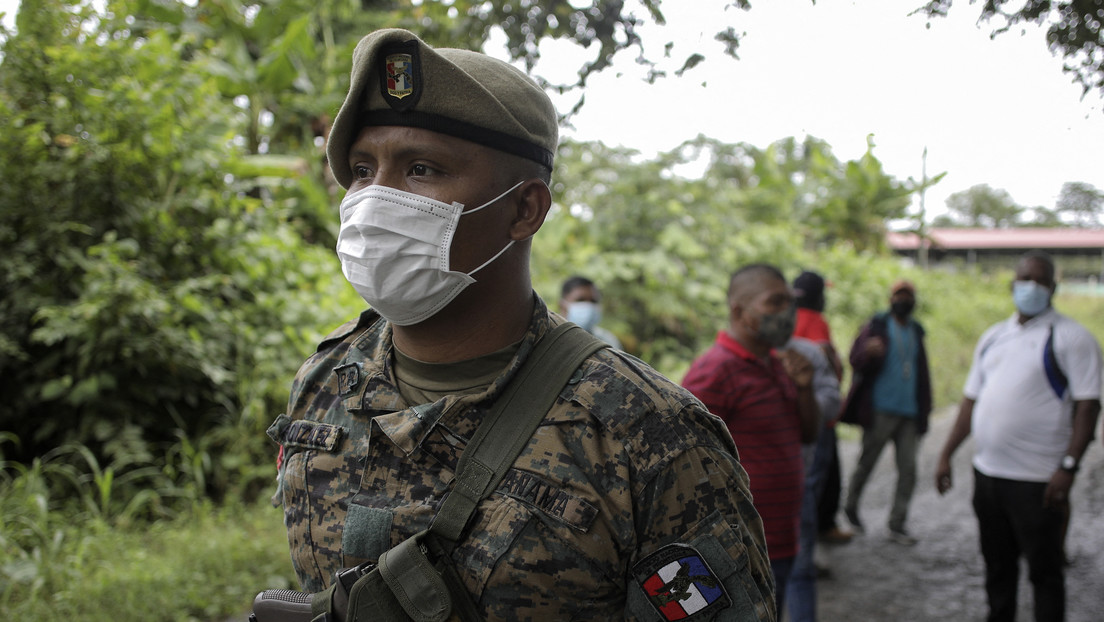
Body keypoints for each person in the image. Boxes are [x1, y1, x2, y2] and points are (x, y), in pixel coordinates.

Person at [269, 28, 775, 621]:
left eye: (422, 169)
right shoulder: (324, 381)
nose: (375, 199)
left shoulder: (646, 434)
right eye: (361, 168)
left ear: (524, 209)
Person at [934, 252, 1102, 622]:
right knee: (997, 568)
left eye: (1039, 281)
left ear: (1053, 288)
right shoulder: (994, 336)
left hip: (1037, 481)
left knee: (1045, 572)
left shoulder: (1071, 338)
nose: (1030, 288)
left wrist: (1068, 467)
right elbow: (969, 402)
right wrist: (946, 454)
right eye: (1024, 280)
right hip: (988, 476)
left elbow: (1088, 408)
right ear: (1012, 285)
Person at [682, 263, 820, 618]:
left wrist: (804, 390)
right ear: (739, 311)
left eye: (790, 302)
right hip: (741, 548)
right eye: (775, 302)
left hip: (783, 534)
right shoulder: (714, 372)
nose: (787, 314)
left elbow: (807, 434)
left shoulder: (779, 364)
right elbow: (683, 464)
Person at [839, 279, 932, 545]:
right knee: (866, 463)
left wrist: (925, 410)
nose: (904, 300)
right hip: (879, 410)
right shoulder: (876, 326)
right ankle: (851, 507)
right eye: (899, 295)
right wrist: (867, 353)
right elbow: (854, 360)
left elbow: (922, 375)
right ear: (891, 298)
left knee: (909, 469)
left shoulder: (916, 331)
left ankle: (897, 523)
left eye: (908, 295)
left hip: (909, 413)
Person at [781, 334, 841, 622]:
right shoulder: (723, 364)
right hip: (746, 491)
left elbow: (829, 404)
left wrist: (803, 392)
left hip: (797, 482)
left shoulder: (807, 355)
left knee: (801, 569)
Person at [791, 270, 851, 547]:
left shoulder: (785, 322)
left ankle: (816, 533)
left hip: (795, 415)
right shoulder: (816, 321)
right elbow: (825, 360)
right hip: (819, 416)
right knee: (815, 480)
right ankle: (808, 544)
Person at [559, 275, 622, 348]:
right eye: (580, 300)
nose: (588, 305)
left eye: (593, 301)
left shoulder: (609, 341)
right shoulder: (549, 338)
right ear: (562, 305)